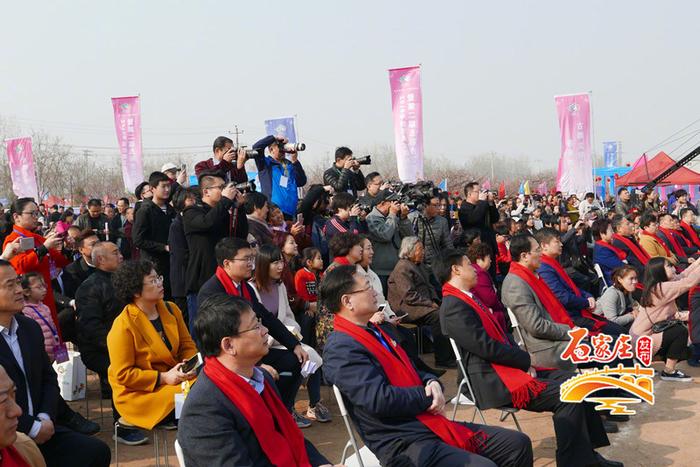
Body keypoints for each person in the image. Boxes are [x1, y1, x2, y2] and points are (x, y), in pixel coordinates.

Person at [321, 265, 534, 467]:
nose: (375, 291)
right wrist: (427, 396)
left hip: (425, 423)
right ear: (347, 301)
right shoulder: (341, 348)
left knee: (517, 444)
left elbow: (415, 369)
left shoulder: (376, 331)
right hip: (402, 441)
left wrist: (431, 381)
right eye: (367, 287)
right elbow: (378, 399)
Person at [435, 250, 619, 467]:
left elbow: (502, 337)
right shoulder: (453, 306)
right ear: (455, 270)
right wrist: (524, 361)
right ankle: (575, 462)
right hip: (493, 380)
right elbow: (486, 348)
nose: (474, 269)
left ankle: (587, 457)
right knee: (568, 396)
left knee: (578, 383)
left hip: (507, 368)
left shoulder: (468, 299)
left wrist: (522, 362)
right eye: (468, 264)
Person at [177, 295, 333, 466]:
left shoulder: (262, 378)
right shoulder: (204, 410)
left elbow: (290, 436)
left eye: (259, 322)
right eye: (255, 326)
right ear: (229, 345)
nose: (265, 330)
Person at [0, 260, 111, 467]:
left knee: (95, 452)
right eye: (10, 285)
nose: (18, 290)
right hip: (8, 436)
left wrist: (44, 417)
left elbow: (48, 379)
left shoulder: (29, 328)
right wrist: (31, 427)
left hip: (44, 426)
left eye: (18, 283)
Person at [197, 237, 309, 414]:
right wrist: (256, 365)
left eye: (252, 258)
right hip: (231, 357)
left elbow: (265, 317)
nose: (252, 264)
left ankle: (283, 412)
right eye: (246, 259)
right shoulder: (212, 292)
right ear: (227, 263)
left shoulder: (244, 287)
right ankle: (263, 413)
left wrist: (294, 344)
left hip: (250, 350)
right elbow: (216, 341)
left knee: (296, 359)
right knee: (267, 375)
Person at [107, 260, 198, 430]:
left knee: (214, 382)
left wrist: (188, 365)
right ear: (135, 291)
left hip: (177, 380)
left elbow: (187, 345)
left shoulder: (171, 309)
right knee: (201, 396)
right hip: (143, 394)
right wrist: (164, 377)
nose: (160, 284)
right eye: (153, 280)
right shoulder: (123, 325)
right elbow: (124, 375)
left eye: (159, 278)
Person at [74, 242, 148, 445]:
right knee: (121, 372)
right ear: (100, 260)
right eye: (115, 253)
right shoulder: (90, 287)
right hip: (100, 348)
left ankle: (158, 412)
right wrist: (120, 347)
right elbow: (90, 328)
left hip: (129, 343)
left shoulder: (125, 281)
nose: (121, 256)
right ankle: (122, 427)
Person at [248, 245, 329, 426]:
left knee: (311, 357)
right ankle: (287, 407)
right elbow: (260, 322)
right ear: (263, 264)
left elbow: (288, 317)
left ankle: (314, 404)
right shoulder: (251, 288)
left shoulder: (280, 286)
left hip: (284, 337)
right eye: (275, 262)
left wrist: (293, 333)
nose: (280, 266)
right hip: (265, 342)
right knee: (298, 359)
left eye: (281, 262)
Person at [501, 234, 575, 370]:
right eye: (537, 250)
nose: (541, 254)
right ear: (524, 256)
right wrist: (570, 331)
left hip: (557, 337)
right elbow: (536, 326)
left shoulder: (531, 275)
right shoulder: (515, 284)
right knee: (612, 354)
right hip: (547, 347)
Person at [536, 228, 625, 337]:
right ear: (544, 245)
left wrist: (587, 296)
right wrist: (586, 302)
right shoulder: (544, 268)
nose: (561, 244)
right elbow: (562, 297)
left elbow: (571, 287)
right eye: (557, 241)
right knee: (619, 335)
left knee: (619, 331)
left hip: (578, 310)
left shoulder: (551, 263)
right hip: (571, 317)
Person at [183, 173, 247, 322]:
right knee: (202, 330)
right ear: (206, 191)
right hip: (201, 280)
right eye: (221, 187)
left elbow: (240, 236)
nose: (226, 191)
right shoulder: (191, 211)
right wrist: (225, 201)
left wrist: (240, 208)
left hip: (224, 278)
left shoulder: (223, 211)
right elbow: (207, 223)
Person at [3, 198, 70, 338]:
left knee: (53, 337)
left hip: (46, 295)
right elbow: (20, 267)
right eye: (32, 213)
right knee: (39, 338)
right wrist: (43, 249)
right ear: (16, 216)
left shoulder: (37, 238)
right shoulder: (13, 240)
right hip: (29, 300)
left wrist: (64, 245)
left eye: (37, 213)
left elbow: (61, 261)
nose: (36, 217)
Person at [388, 237, 454, 368]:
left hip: (422, 304)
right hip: (407, 308)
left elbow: (430, 286)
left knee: (447, 311)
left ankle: (451, 353)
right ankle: (443, 359)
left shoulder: (419, 265)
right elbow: (409, 295)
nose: (423, 252)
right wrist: (430, 304)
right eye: (420, 249)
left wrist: (435, 300)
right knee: (438, 316)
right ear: (410, 251)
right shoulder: (402, 267)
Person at [631, 257, 700, 382]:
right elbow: (689, 282)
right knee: (680, 332)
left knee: (682, 339)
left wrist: (697, 262)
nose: (674, 268)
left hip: (643, 338)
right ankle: (669, 371)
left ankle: (640, 361)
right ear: (659, 271)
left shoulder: (657, 286)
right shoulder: (661, 288)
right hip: (643, 341)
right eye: (669, 266)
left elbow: (683, 276)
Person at [132, 171, 177, 299]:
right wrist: (163, 247)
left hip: (172, 263)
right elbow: (138, 239)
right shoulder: (145, 211)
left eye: (169, 186)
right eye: (163, 186)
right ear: (153, 189)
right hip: (153, 264)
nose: (167, 189)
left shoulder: (171, 210)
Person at [366, 190, 413, 292]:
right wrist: (392, 214)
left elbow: (410, 237)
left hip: (397, 268)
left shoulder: (394, 217)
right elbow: (385, 235)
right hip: (380, 271)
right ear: (382, 203)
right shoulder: (371, 218)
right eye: (393, 202)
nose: (396, 205)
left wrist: (403, 218)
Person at [252, 134, 308, 217]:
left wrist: (295, 161)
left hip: (291, 212)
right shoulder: (265, 164)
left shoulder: (289, 165)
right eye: (280, 148)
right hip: (273, 211)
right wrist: (274, 138)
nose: (283, 151)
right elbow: (256, 147)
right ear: (271, 149)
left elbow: (301, 181)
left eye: (284, 148)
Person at [168, 188, 198, 324]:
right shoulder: (177, 225)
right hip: (183, 281)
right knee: (185, 321)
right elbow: (181, 255)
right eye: (190, 199)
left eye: (194, 198)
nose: (194, 202)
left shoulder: (191, 221)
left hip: (192, 277)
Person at [459, 182, 500, 277]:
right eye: (478, 191)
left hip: (489, 246)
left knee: (491, 277)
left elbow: (495, 219)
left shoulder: (482, 205)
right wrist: (482, 202)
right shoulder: (464, 208)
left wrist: (490, 203)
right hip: (476, 249)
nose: (481, 193)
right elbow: (474, 219)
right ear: (469, 194)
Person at [466, 243, 507, 331]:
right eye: (489, 257)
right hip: (491, 316)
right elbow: (490, 299)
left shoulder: (477, 271)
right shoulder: (479, 273)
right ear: (479, 259)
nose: (491, 261)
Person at [410, 193, 454, 266]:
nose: (438, 208)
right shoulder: (412, 218)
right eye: (435, 205)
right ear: (425, 205)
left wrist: (453, 259)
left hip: (434, 264)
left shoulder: (442, 221)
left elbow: (447, 243)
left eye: (438, 205)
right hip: (414, 264)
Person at [594, 266, 639, 330]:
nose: (635, 282)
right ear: (620, 279)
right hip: (601, 326)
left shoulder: (626, 289)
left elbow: (633, 305)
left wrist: (636, 310)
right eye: (631, 279)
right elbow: (612, 321)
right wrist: (632, 316)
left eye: (636, 278)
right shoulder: (612, 293)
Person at [60, 229, 98, 299]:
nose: (98, 247)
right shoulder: (72, 271)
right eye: (93, 244)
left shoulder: (109, 262)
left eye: (99, 243)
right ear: (81, 250)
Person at [592, 218, 627, 287]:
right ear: (602, 234)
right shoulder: (602, 251)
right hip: (616, 281)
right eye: (610, 230)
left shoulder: (605, 246)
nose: (613, 233)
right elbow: (620, 266)